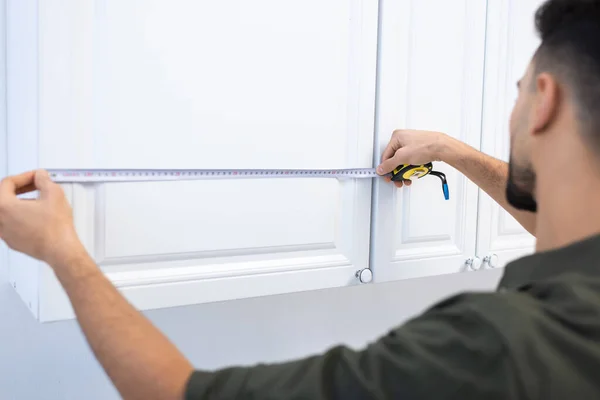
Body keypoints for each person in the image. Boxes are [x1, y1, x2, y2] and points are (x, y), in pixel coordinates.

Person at [1, 0, 600, 398]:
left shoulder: (496, 347)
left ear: (543, 100)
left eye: (519, 92)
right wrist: (452, 151)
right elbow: (555, 214)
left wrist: (61, 250)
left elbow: (176, 390)